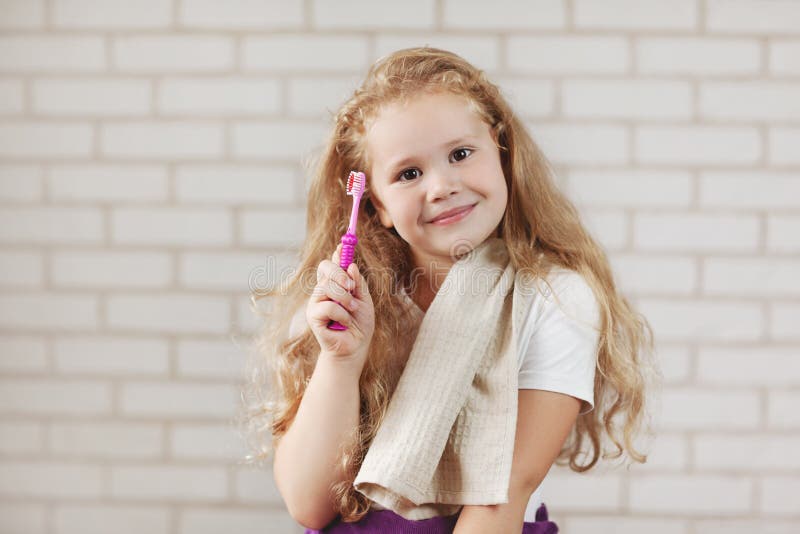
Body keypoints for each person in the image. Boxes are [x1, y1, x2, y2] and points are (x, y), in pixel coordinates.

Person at [239, 47, 660, 533]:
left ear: (501, 151)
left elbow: (503, 494)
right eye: (408, 174)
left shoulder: (556, 299)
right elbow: (307, 504)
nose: (441, 186)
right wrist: (341, 360)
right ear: (374, 204)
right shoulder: (351, 301)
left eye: (461, 154)